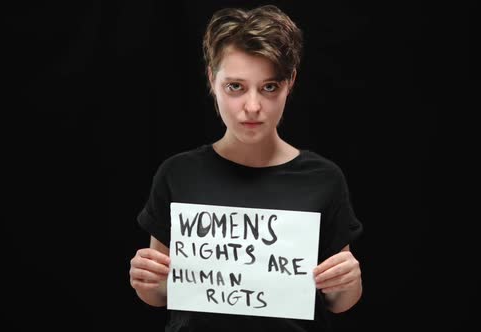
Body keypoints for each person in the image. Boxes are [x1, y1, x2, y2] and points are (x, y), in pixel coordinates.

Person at [129, 4, 363, 331]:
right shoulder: (177, 174)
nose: (252, 107)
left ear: (290, 82)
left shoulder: (324, 179)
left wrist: (349, 283)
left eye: (269, 87)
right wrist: (147, 281)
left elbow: (338, 302)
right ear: (212, 79)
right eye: (235, 87)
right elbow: (160, 293)